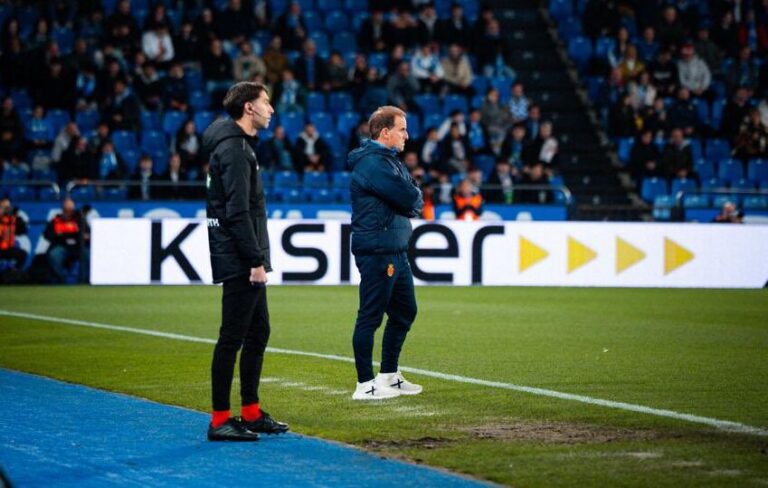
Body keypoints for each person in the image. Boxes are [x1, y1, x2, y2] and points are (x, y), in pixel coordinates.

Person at [202, 81, 288, 440]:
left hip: (242, 254)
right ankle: (220, 420)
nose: (271, 109)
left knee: (257, 332)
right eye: (266, 102)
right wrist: (255, 261)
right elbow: (238, 213)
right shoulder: (236, 150)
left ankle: (250, 412)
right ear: (248, 108)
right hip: (241, 258)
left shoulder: (236, 146)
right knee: (232, 338)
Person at [347, 105, 424, 400]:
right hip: (379, 250)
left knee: (405, 311)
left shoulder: (389, 161)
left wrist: (411, 197)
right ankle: (364, 385)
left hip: (395, 248)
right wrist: (411, 197)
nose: (407, 135)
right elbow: (410, 196)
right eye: (402, 129)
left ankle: (389, 376)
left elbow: (413, 197)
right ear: (385, 132)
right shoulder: (374, 165)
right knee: (370, 316)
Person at [44, 198, 81, 284]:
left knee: (88, 254)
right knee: (54, 254)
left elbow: (87, 233)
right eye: (66, 209)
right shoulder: (56, 220)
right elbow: (47, 234)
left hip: (77, 247)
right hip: (61, 246)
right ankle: (61, 280)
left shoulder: (79, 220)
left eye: (70, 209)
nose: (68, 212)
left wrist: (83, 235)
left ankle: (84, 280)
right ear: (62, 209)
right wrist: (57, 235)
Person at [0, 197, 28, 270]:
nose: (7, 210)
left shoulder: (13, 219)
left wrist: (16, 217)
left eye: (8, 207)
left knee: (22, 254)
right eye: (5, 207)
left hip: (8, 248)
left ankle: (15, 273)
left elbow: (23, 230)